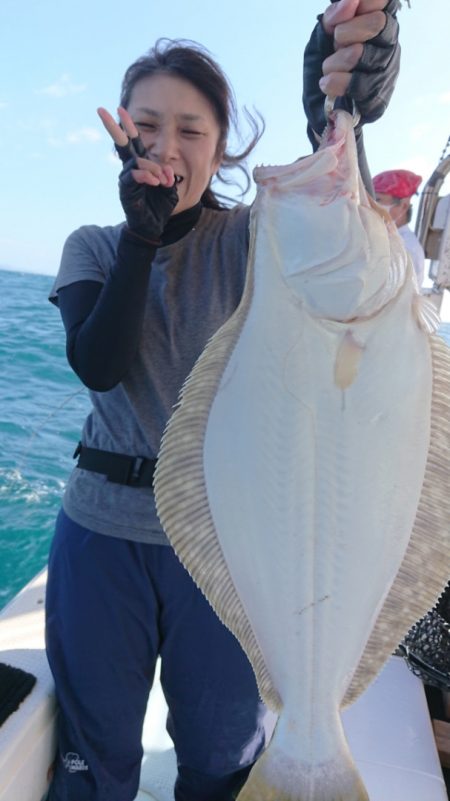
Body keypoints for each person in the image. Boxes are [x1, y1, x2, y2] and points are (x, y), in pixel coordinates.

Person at [45, 2, 401, 800]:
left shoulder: (252, 240)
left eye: (191, 130)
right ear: (121, 133)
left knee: (220, 757)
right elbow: (99, 364)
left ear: (220, 145)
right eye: (147, 126)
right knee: (93, 758)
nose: (167, 147)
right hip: (102, 534)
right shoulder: (93, 246)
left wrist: (339, 93)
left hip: (229, 548)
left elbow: (334, 211)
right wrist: (141, 237)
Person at [373, 168, 425, 286]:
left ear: (403, 206)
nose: (371, 206)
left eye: (377, 200)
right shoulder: (383, 238)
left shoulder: (407, 248)